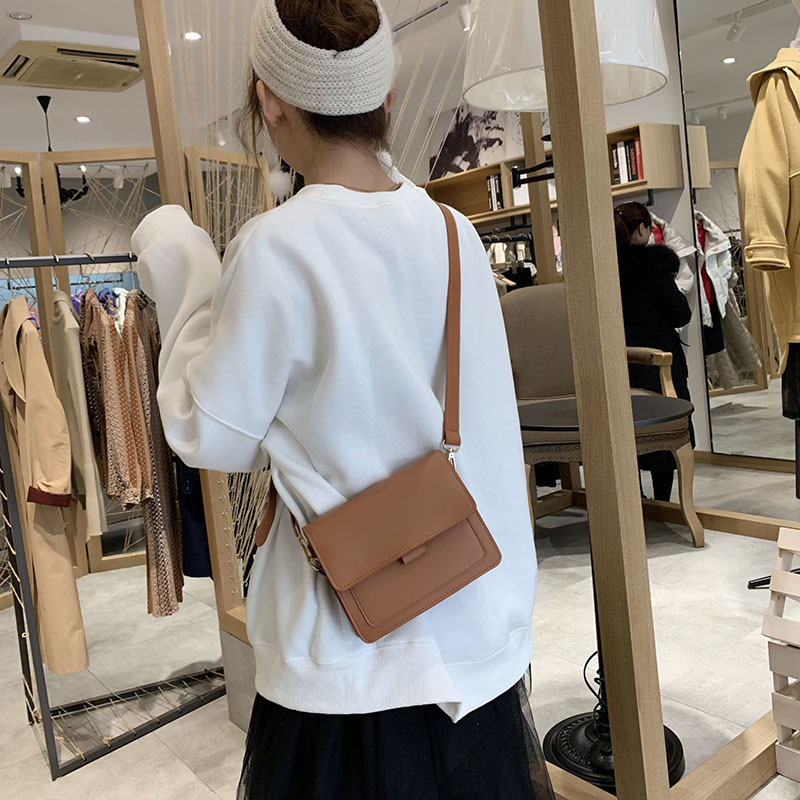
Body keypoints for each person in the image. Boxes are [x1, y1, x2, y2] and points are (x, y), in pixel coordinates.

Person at [131, 1, 553, 797]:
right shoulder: (456, 234)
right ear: (387, 97)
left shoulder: (276, 246)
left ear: (269, 101)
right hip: (474, 627)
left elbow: (209, 430)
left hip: (347, 652)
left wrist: (184, 269)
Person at [614, 202, 693, 502]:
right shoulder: (654, 267)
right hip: (658, 363)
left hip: (619, 365)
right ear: (642, 228)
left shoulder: (605, 268)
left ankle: (634, 502)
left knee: (626, 435)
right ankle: (662, 503)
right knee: (664, 433)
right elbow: (680, 314)